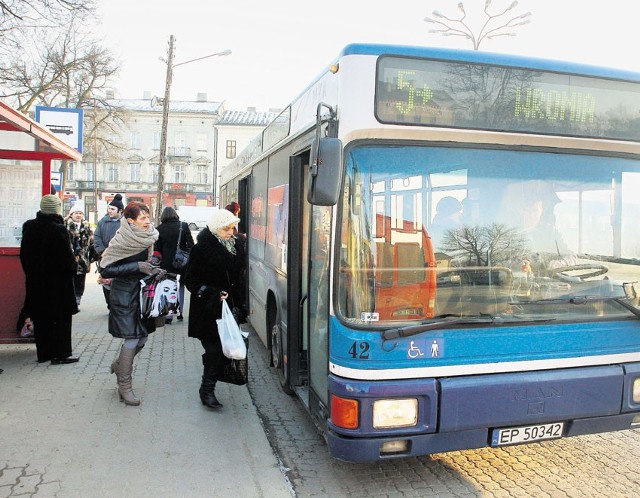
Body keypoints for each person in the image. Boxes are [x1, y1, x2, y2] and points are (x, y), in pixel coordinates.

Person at [98, 201, 162, 406]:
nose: (147, 221)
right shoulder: (120, 240)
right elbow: (105, 270)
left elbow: (150, 261)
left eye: (147, 217)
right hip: (124, 296)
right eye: (142, 218)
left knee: (143, 338)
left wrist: (153, 268)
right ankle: (125, 386)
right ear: (130, 221)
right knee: (132, 338)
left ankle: (119, 365)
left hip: (143, 296)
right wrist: (136, 266)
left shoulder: (150, 236)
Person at [184, 208, 246, 409]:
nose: (231, 232)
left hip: (230, 309)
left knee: (224, 350)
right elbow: (190, 280)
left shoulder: (237, 245)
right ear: (216, 229)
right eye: (227, 228)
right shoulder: (201, 249)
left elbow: (240, 277)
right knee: (214, 349)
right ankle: (207, 390)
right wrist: (212, 292)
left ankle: (208, 387)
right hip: (207, 310)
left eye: (233, 227)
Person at [19, 194, 79, 364]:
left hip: (36, 282)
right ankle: (61, 354)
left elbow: (24, 256)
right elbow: (66, 260)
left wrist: (32, 274)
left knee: (41, 318)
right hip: (58, 284)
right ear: (57, 209)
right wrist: (72, 269)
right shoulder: (58, 229)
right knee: (61, 319)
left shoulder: (29, 226)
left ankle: (44, 354)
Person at [154, 206, 194, 324]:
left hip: (166, 263)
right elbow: (191, 244)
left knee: (169, 287)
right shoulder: (184, 226)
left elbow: (157, 248)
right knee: (180, 286)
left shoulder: (159, 229)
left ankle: (169, 315)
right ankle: (180, 312)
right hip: (182, 262)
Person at [94, 193, 125, 308]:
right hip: (104, 256)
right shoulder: (103, 221)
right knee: (105, 282)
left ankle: (116, 305)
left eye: (112, 209)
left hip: (119, 258)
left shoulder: (126, 223)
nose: (110, 211)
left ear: (120, 211)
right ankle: (109, 304)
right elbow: (96, 237)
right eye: (109, 209)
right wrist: (101, 251)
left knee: (116, 282)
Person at [64, 200, 94, 307]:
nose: (78, 215)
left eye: (80, 213)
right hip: (68, 258)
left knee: (80, 281)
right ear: (71, 214)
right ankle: (69, 300)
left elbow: (91, 243)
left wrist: (91, 258)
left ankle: (77, 299)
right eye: (76, 213)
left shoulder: (87, 227)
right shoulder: (64, 225)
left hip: (82, 259)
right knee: (69, 279)